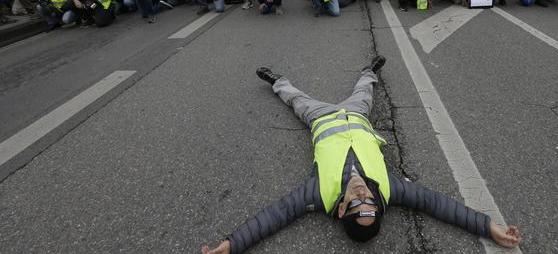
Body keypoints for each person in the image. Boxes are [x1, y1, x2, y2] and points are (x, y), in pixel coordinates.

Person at [201, 56, 522, 254]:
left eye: (356, 204)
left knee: (294, 98)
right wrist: (487, 226)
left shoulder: (318, 195)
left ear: (341, 211)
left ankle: (275, 80)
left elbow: (274, 216)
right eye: (369, 202)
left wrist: (233, 245)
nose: (361, 195)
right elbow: (438, 204)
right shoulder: (391, 190)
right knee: (364, 91)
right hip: (357, 118)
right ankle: (370, 70)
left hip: (322, 118)